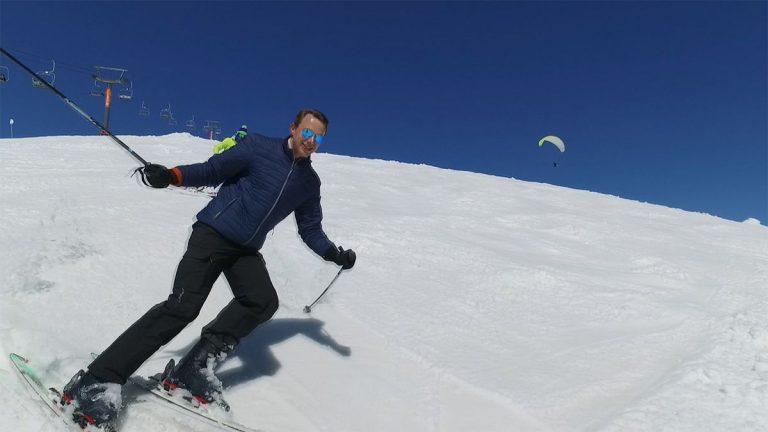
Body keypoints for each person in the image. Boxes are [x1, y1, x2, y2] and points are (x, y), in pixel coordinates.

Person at [59, 108, 356, 430]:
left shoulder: (308, 182)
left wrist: (332, 253)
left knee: (261, 300)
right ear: (294, 128)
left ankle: (193, 369)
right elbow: (213, 169)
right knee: (182, 308)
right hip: (212, 234)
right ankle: (97, 381)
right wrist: (172, 176)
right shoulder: (258, 147)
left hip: (244, 250)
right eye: (307, 132)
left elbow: (310, 227)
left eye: (319, 136)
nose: (311, 141)